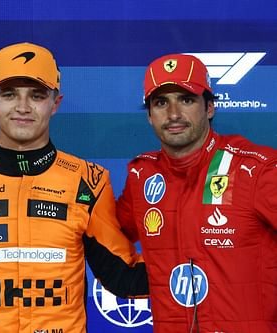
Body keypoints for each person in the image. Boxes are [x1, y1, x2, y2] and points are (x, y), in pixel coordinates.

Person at [0, 42, 148, 333]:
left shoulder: (88, 181)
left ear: (55, 103)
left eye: (37, 95)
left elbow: (123, 275)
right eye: (9, 94)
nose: (22, 107)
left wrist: (207, 257)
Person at [116, 54, 277, 333]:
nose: (174, 114)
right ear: (150, 116)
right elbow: (105, 237)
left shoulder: (256, 169)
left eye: (186, 100)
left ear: (210, 107)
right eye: (161, 102)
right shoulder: (142, 177)